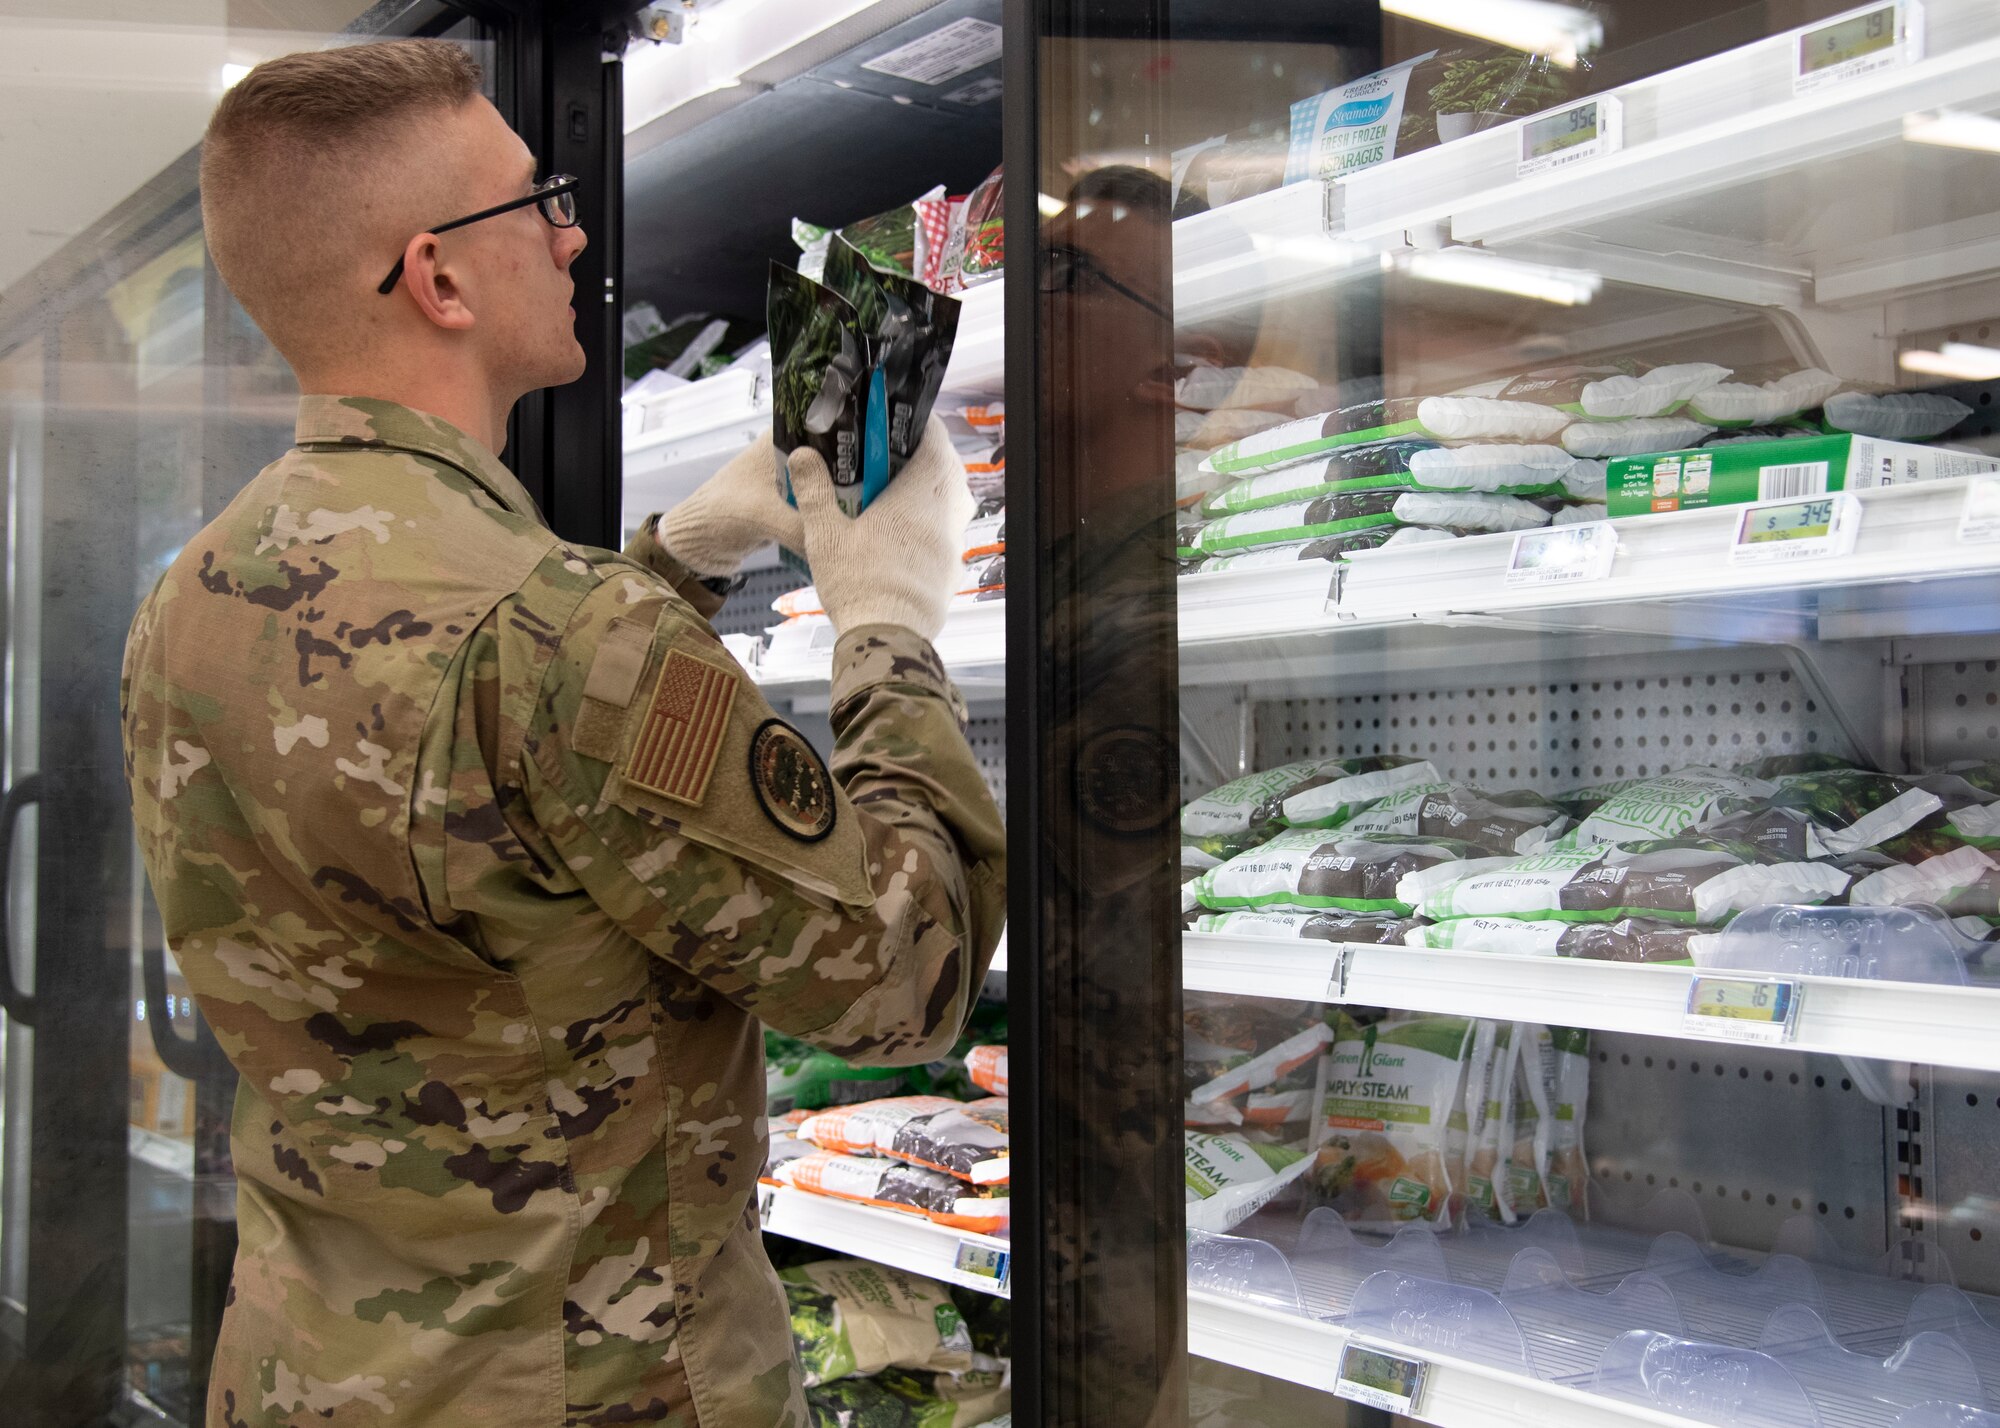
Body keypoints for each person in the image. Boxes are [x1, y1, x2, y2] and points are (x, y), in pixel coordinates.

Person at [119, 39, 1004, 1428]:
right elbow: (904, 977)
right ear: (438, 276)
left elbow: (469, 777)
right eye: (539, 200)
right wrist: (889, 623)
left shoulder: (192, 593)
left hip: (304, 1375)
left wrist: (678, 559)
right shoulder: (560, 634)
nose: (574, 229)